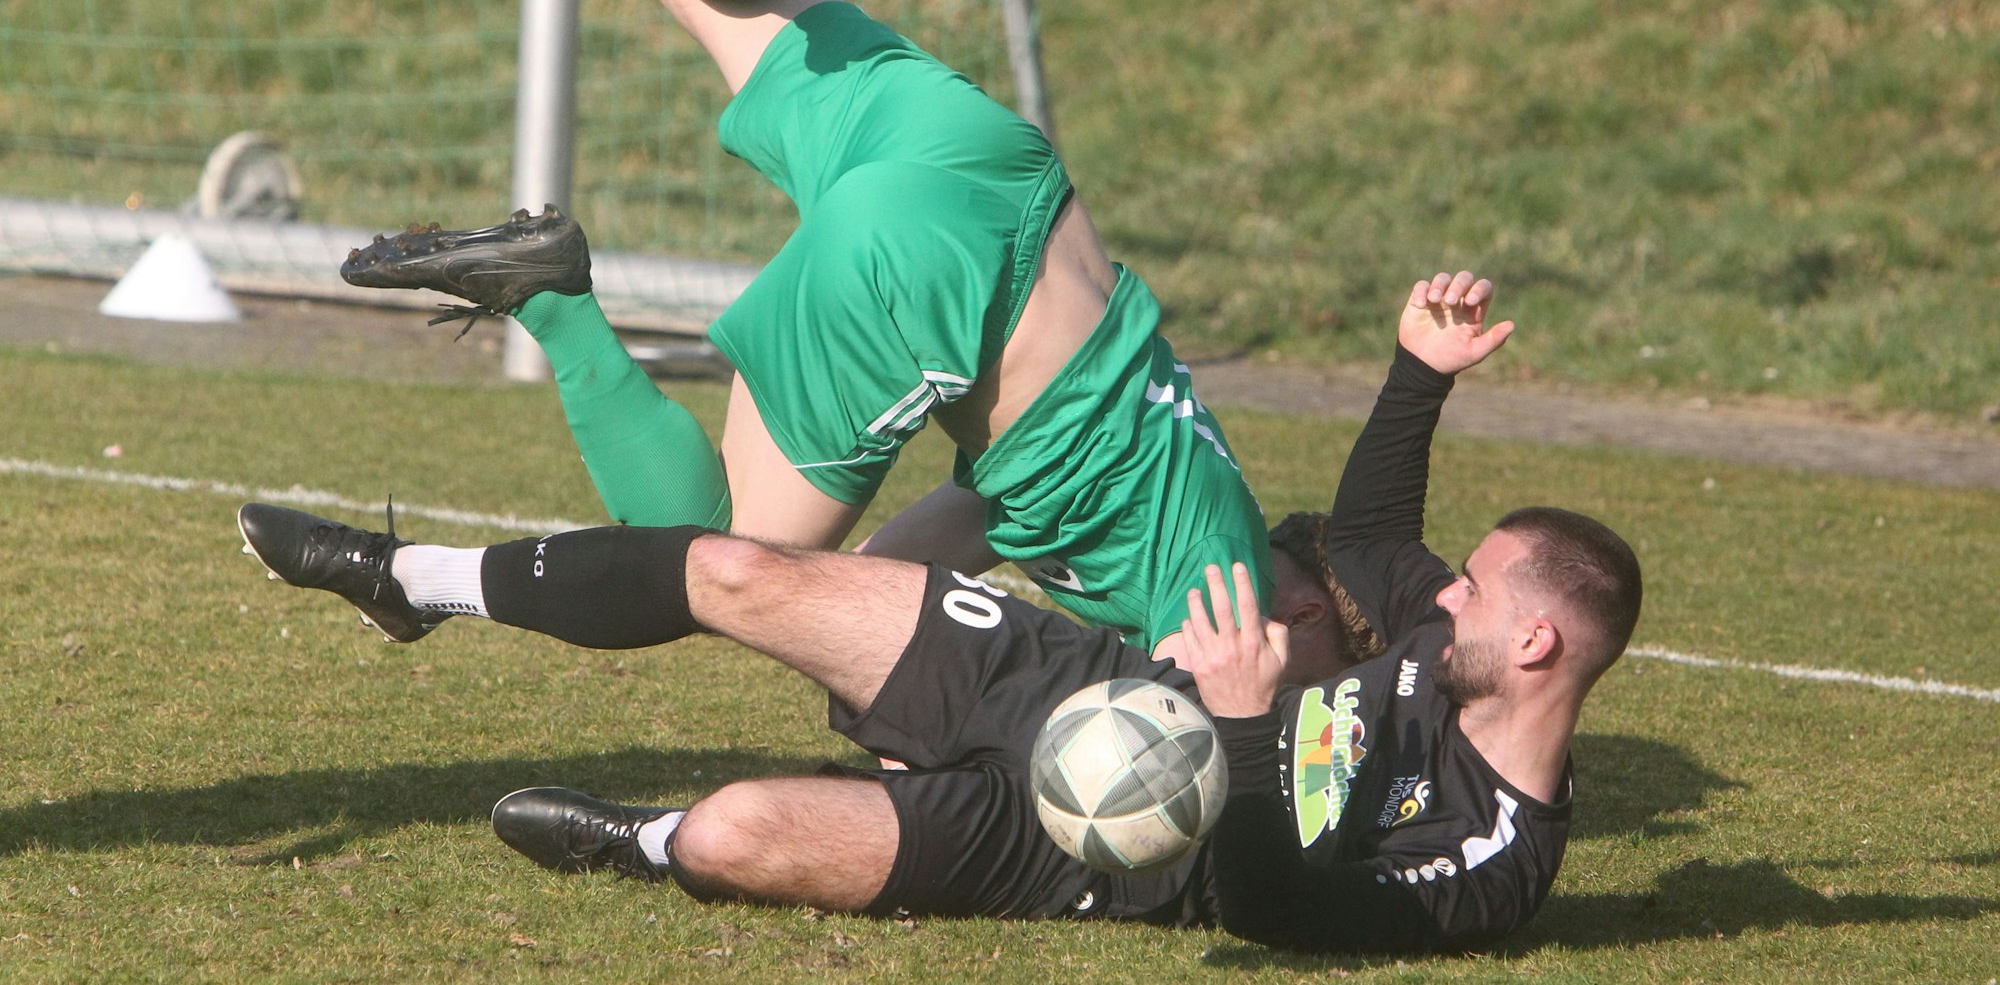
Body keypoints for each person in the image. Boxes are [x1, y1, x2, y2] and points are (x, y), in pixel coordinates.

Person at [237, 272, 1643, 953]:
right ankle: (410, 580)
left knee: (731, 834)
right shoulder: (1436, 641)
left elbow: (1284, 919)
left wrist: (1230, 726)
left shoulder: (1495, 861)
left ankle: (642, 839)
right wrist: (1418, 373)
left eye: (1472, 588)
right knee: (741, 571)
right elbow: (1378, 536)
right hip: (1075, 679)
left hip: (1099, 853)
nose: (1440, 589)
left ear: (1536, 643)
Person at [335, 0, 1267, 661]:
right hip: (922, 268)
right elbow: (1193, 734)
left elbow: (981, 517)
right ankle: (552, 301)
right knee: (721, 557)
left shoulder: (1189, 492)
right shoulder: (1235, 616)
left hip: (985, 159)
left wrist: (851, 608)